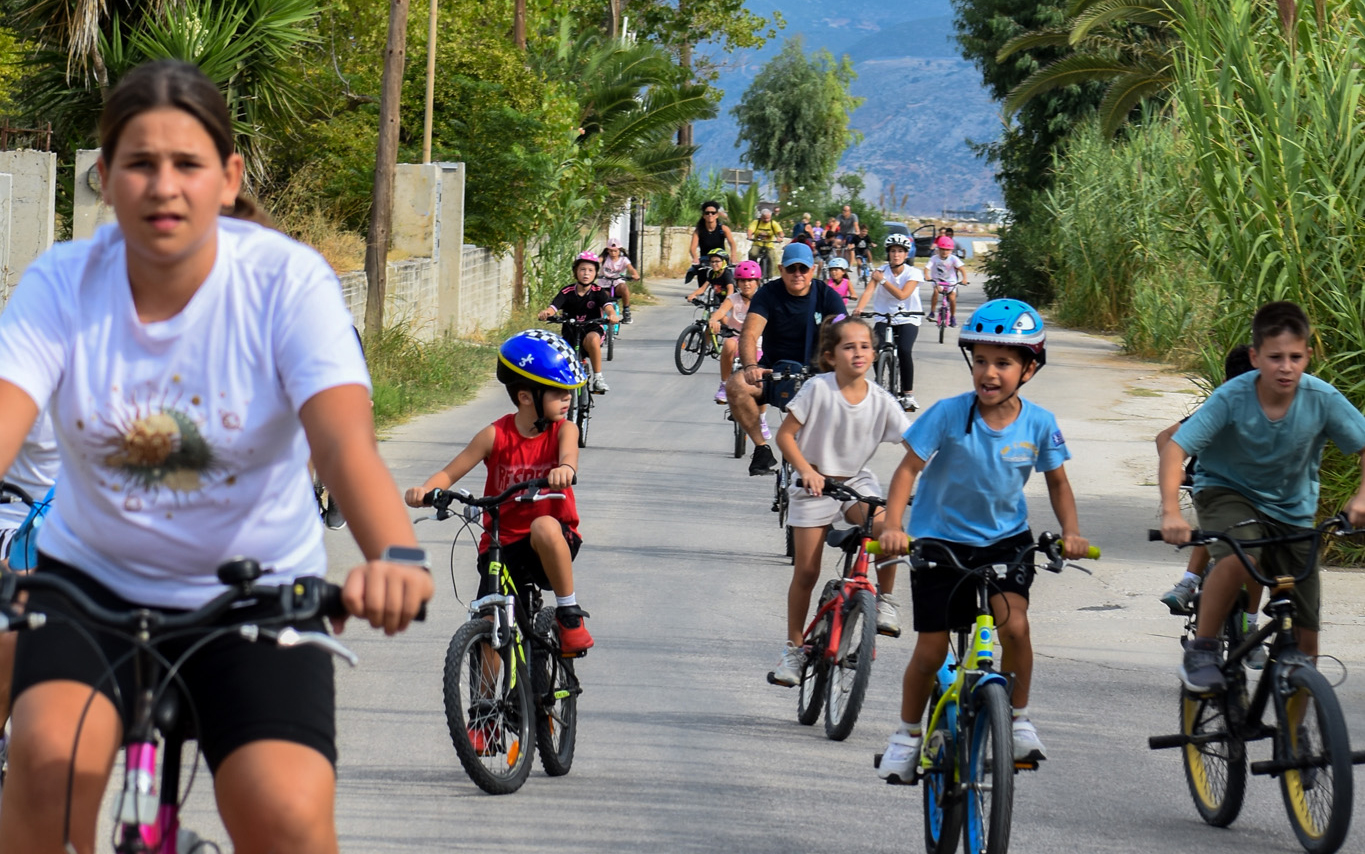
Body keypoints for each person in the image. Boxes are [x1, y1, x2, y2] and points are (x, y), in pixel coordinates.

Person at [0, 59, 433, 853]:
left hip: (256, 597)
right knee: (45, 763)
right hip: (88, 591)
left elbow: (341, 442)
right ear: (104, 177)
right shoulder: (61, 284)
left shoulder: (285, 284)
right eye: (139, 163)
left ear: (228, 178)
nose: (164, 185)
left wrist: (395, 553)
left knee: (287, 815)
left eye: (188, 164)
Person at [875, 299, 1090, 779]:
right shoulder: (948, 414)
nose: (989, 373)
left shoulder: (1039, 423)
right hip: (938, 540)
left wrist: (1072, 532)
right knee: (931, 650)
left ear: (1028, 369)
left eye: (1004, 363)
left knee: (1015, 628)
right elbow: (907, 469)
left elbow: (1058, 483)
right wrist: (894, 526)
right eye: (982, 361)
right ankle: (907, 734)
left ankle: (1017, 719)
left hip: (1005, 541)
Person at [1159, 301, 1365, 694]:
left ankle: (1298, 741)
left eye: (1295, 357)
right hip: (1226, 491)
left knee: (1307, 640)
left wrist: (1361, 499)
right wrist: (1172, 511)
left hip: (1293, 510)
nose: (1285, 367)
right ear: (1255, 357)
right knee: (1242, 555)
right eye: (1275, 357)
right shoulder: (1231, 398)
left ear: (1308, 356)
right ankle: (1202, 648)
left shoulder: (1322, 398)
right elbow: (1174, 449)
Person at [404, 330, 594, 655]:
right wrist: (427, 491)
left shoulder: (565, 430)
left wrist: (565, 470)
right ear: (525, 396)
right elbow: (450, 473)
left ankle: (568, 613)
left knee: (543, 525)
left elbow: (568, 456)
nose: (568, 399)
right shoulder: (495, 435)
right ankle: (483, 705)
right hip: (501, 545)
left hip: (551, 542)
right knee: (489, 624)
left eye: (569, 393)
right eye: (558, 392)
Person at [769, 317, 911, 685]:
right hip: (813, 484)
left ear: (875, 353)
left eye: (865, 346)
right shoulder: (818, 389)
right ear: (831, 357)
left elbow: (918, 446)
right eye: (849, 347)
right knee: (807, 571)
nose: (859, 352)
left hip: (855, 483)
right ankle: (794, 650)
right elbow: (785, 436)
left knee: (886, 525)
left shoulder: (882, 401)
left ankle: (886, 601)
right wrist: (806, 469)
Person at [728, 242, 846, 477]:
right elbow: (750, 333)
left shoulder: (827, 296)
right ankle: (762, 448)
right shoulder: (768, 294)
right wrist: (751, 366)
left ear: (814, 270)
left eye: (803, 269)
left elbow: (843, 333)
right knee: (736, 385)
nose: (798, 274)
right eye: (792, 269)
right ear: (781, 269)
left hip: (815, 376)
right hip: (773, 373)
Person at [1156, 345, 1255, 615]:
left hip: (1254, 492)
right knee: (1219, 526)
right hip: (1212, 486)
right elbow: (1165, 437)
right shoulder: (1217, 409)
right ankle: (1189, 583)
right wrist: (1175, 471)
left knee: (1255, 550)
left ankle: (1251, 623)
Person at [853, 233, 924, 412]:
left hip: (909, 317)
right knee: (875, 350)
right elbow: (869, 292)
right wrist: (858, 310)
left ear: (906, 254)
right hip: (884, 316)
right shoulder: (880, 271)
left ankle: (908, 394)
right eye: (893, 251)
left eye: (900, 251)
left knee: (905, 350)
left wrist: (882, 280)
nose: (896, 254)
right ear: (888, 253)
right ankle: (881, 385)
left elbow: (902, 295)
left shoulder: (913, 272)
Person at [538, 252, 619, 394]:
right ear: (576, 272)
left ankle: (598, 378)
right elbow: (553, 307)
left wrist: (612, 315)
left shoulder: (598, 292)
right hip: (570, 332)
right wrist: (546, 313)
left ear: (595, 273)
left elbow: (607, 306)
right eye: (582, 269)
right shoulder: (567, 291)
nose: (586, 274)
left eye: (590, 270)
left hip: (592, 329)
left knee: (592, 339)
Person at [708, 261, 763, 411]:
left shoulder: (764, 299)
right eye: (742, 280)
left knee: (761, 378)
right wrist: (714, 319)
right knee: (728, 344)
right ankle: (724, 384)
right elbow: (721, 311)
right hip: (738, 338)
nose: (746, 284)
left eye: (750, 280)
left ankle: (762, 418)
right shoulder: (733, 299)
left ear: (757, 281)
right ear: (737, 282)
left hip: (757, 342)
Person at [685, 200, 738, 285]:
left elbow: (732, 243)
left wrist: (733, 256)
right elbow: (692, 248)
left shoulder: (723, 229)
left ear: (717, 215)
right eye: (707, 213)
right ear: (704, 216)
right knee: (700, 273)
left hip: (720, 258)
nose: (710, 215)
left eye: (713, 213)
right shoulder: (699, 231)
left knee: (729, 279)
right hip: (705, 259)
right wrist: (695, 257)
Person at [925, 236, 966, 326]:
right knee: (936, 292)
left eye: (947, 250)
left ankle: (953, 317)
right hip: (937, 280)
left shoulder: (953, 259)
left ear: (951, 251)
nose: (944, 252)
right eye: (942, 249)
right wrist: (927, 275)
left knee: (952, 298)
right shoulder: (934, 258)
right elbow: (927, 268)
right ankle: (932, 312)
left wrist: (964, 279)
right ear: (938, 249)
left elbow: (962, 269)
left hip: (951, 281)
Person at [598, 238, 637, 323]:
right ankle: (598, 316)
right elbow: (596, 262)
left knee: (624, 287)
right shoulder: (604, 258)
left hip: (617, 285)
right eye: (611, 251)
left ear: (619, 250)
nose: (613, 253)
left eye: (615, 251)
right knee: (600, 295)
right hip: (605, 285)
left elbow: (631, 268)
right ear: (607, 250)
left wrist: (635, 275)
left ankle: (626, 311)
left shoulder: (623, 260)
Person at [746, 208, 785, 275]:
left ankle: (770, 276)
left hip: (769, 245)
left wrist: (780, 237)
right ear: (761, 217)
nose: (766, 220)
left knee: (771, 257)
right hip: (757, 244)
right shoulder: (756, 222)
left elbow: (780, 232)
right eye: (764, 218)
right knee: (752, 253)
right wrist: (749, 235)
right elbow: (750, 230)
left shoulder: (773, 223)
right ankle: (752, 270)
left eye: (768, 218)